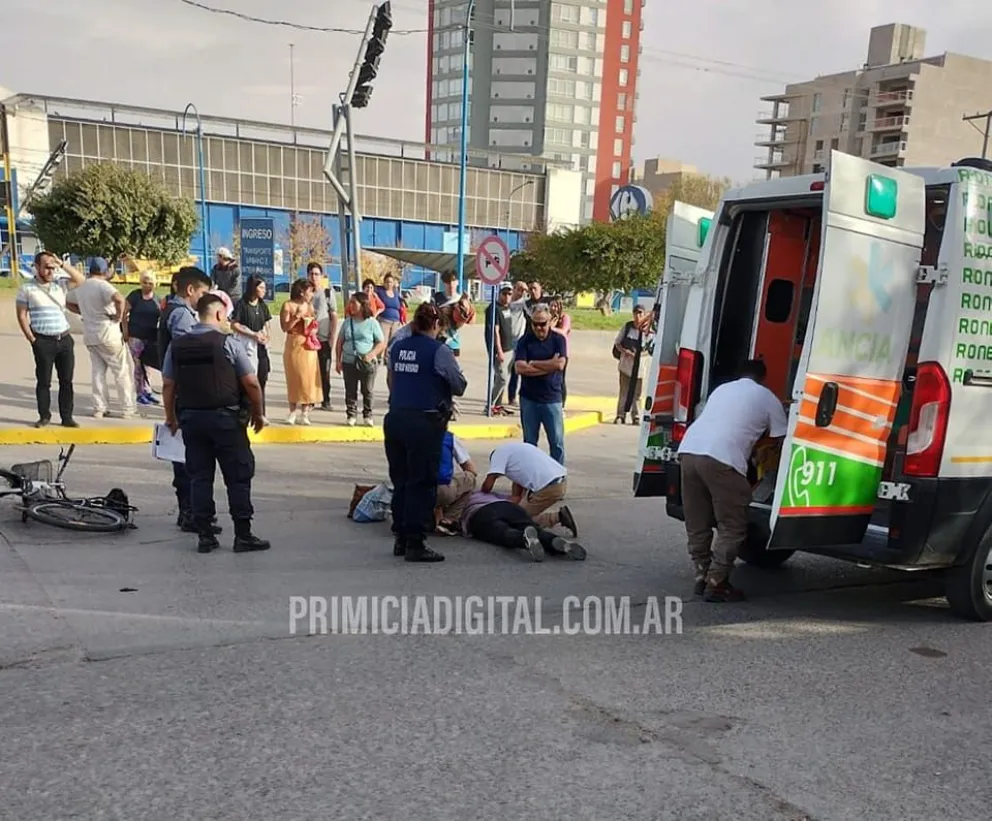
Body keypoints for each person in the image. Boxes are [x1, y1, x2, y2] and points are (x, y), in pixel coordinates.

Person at [162, 293, 269, 554]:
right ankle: (243, 535)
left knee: (200, 478)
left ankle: (205, 536)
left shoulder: (177, 345)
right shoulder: (228, 343)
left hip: (192, 420)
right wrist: (258, 413)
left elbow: (168, 385)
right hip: (226, 421)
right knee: (238, 477)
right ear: (219, 314)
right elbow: (252, 383)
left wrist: (171, 418)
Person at [677, 359, 788, 603]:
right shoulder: (768, 397)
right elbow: (781, 438)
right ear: (763, 378)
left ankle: (701, 574)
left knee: (698, 521)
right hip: (722, 459)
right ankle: (717, 582)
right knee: (733, 525)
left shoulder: (722, 389)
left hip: (688, 452)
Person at [384, 301, 467, 563]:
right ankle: (416, 543)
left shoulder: (398, 348)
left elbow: (392, 381)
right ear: (436, 324)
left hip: (396, 418)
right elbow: (459, 385)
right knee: (422, 483)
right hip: (424, 422)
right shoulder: (439, 351)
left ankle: (401, 537)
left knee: (402, 481)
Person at [159, 266, 213, 531]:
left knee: (186, 456)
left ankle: (192, 511)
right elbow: (190, 352)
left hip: (180, 392)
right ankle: (190, 513)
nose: (204, 298)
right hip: (185, 393)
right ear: (191, 290)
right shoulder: (181, 315)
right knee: (187, 458)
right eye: (203, 292)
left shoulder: (174, 310)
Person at [15, 252, 85, 428]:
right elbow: (22, 315)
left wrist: (61, 263)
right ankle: (44, 416)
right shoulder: (27, 289)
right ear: (37, 267)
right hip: (43, 340)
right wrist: (32, 339)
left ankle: (67, 417)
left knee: (66, 381)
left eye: (52, 267)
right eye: (46, 267)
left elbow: (80, 279)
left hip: (64, 338)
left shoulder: (59, 285)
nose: (50, 271)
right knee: (44, 381)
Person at [65, 257, 136, 420]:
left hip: (90, 334)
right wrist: (118, 315)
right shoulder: (103, 285)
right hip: (108, 331)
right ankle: (127, 408)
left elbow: (67, 302)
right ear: (105, 271)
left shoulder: (82, 287)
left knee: (98, 372)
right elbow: (119, 298)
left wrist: (83, 312)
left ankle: (99, 408)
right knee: (121, 371)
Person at [481, 441, 577, 537]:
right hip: (559, 480)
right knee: (519, 512)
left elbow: (489, 481)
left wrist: (482, 494)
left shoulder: (498, 456)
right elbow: (518, 482)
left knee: (516, 519)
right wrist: (516, 499)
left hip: (549, 487)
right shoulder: (514, 451)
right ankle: (556, 517)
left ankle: (556, 518)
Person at [460, 491, 586, 563]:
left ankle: (522, 538)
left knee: (502, 532)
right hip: (506, 506)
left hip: (479, 513)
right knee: (532, 527)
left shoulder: (461, 500)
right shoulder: (487, 493)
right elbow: (515, 499)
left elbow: (450, 519)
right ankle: (555, 541)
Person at [514, 304, 567, 465]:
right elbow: (519, 367)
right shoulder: (525, 341)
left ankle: (557, 478)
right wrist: (548, 365)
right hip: (529, 399)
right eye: (535, 324)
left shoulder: (559, 340)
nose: (539, 328)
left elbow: (559, 365)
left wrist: (534, 363)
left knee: (556, 443)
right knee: (529, 443)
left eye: (543, 323)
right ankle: (531, 476)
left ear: (550, 321)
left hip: (552, 399)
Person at [336, 291, 386, 427]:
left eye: (353, 303)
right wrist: (338, 360)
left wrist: (370, 355)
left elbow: (381, 342)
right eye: (350, 303)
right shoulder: (347, 322)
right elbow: (340, 341)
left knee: (367, 390)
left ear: (362, 305)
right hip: (349, 361)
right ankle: (351, 415)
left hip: (367, 363)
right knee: (350, 390)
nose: (350, 305)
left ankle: (367, 415)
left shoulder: (372, 323)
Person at [230, 275, 273, 420]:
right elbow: (234, 324)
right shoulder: (242, 304)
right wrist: (252, 334)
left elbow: (267, 324)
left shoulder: (262, 305)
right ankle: (245, 411)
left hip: (261, 348)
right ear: (253, 287)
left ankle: (260, 413)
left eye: (264, 288)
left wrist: (267, 337)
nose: (264, 291)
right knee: (248, 380)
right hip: (247, 346)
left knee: (262, 378)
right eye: (261, 287)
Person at [280, 278, 322, 426]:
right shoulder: (288, 305)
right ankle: (292, 411)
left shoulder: (309, 306)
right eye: (309, 291)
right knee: (294, 377)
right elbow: (284, 327)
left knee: (307, 379)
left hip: (307, 344)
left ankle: (305, 412)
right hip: (293, 342)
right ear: (301, 291)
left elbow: (313, 323)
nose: (311, 294)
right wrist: (296, 317)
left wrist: (313, 327)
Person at [122, 271, 162, 407]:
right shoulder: (135, 296)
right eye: (145, 282)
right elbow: (124, 313)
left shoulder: (157, 299)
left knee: (148, 365)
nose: (147, 285)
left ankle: (147, 391)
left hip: (150, 337)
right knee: (138, 365)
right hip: (135, 336)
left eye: (150, 283)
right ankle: (140, 393)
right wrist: (125, 331)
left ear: (155, 284)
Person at [613, 304, 654, 425]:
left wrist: (640, 355)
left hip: (640, 367)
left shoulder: (648, 331)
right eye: (636, 313)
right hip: (626, 365)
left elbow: (650, 349)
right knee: (624, 391)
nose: (638, 316)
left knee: (637, 394)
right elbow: (617, 343)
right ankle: (620, 415)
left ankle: (636, 416)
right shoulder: (628, 327)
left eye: (641, 313)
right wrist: (625, 352)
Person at [306, 262, 338, 411]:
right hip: (308, 339)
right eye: (311, 274)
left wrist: (332, 336)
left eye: (317, 274)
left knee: (324, 371)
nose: (314, 277)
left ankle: (326, 400)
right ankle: (310, 400)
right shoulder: (305, 292)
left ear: (321, 275)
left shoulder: (327, 292)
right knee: (310, 371)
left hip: (323, 338)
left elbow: (334, 315)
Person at [434, 431, 477, 534]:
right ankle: (449, 519)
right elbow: (470, 468)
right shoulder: (448, 437)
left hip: (411, 491)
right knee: (470, 478)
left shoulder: (407, 435)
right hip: (441, 490)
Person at [484, 285, 515, 415]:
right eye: (504, 293)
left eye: (509, 294)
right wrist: (499, 350)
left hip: (510, 349)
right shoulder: (493, 308)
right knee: (501, 379)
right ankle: (489, 405)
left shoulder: (507, 308)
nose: (507, 296)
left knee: (503, 378)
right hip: (499, 350)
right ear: (499, 293)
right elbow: (495, 331)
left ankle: (498, 405)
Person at [505, 281, 528, 408]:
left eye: (524, 290)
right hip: (506, 340)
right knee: (502, 372)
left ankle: (512, 396)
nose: (521, 292)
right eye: (519, 289)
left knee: (516, 371)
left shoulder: (524, 304)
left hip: (519, 340)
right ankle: (495, 398)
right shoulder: (506, 302)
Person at [549, 296, 571, 410]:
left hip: (562, 353)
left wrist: (550, 328)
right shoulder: (549, 318)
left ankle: (561, 405)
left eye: (555, 306)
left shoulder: (565, 318)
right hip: (549, 352)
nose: (553, 308)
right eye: (551, 305)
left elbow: (563, 331)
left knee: (560, 380)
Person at [376, 273, 403, 346]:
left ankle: (389, 357)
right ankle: (381, 357)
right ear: (384, 283)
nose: (389, 284)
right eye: (387, 282)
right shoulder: (380, 291)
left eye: (390, 282)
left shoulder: (396, 293)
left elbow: (400, 305)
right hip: (384, 321)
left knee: (393, 343)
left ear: (393, 283)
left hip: (395, 322)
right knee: (382, 343)